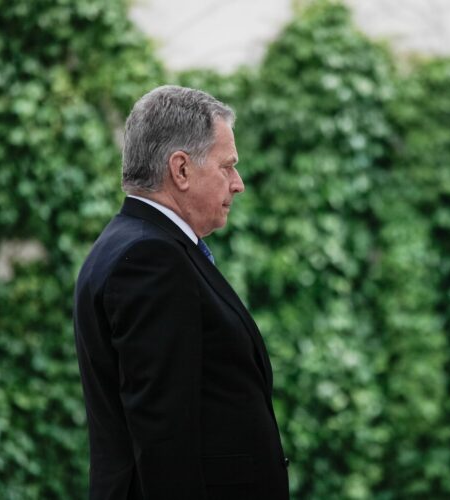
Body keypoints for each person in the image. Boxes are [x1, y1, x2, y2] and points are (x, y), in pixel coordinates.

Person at [73, 85, 289, 499]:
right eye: (227, 166)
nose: (238, 183)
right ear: (181, 170)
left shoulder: (133, 245)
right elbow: (164, 439)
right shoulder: (150, 258)